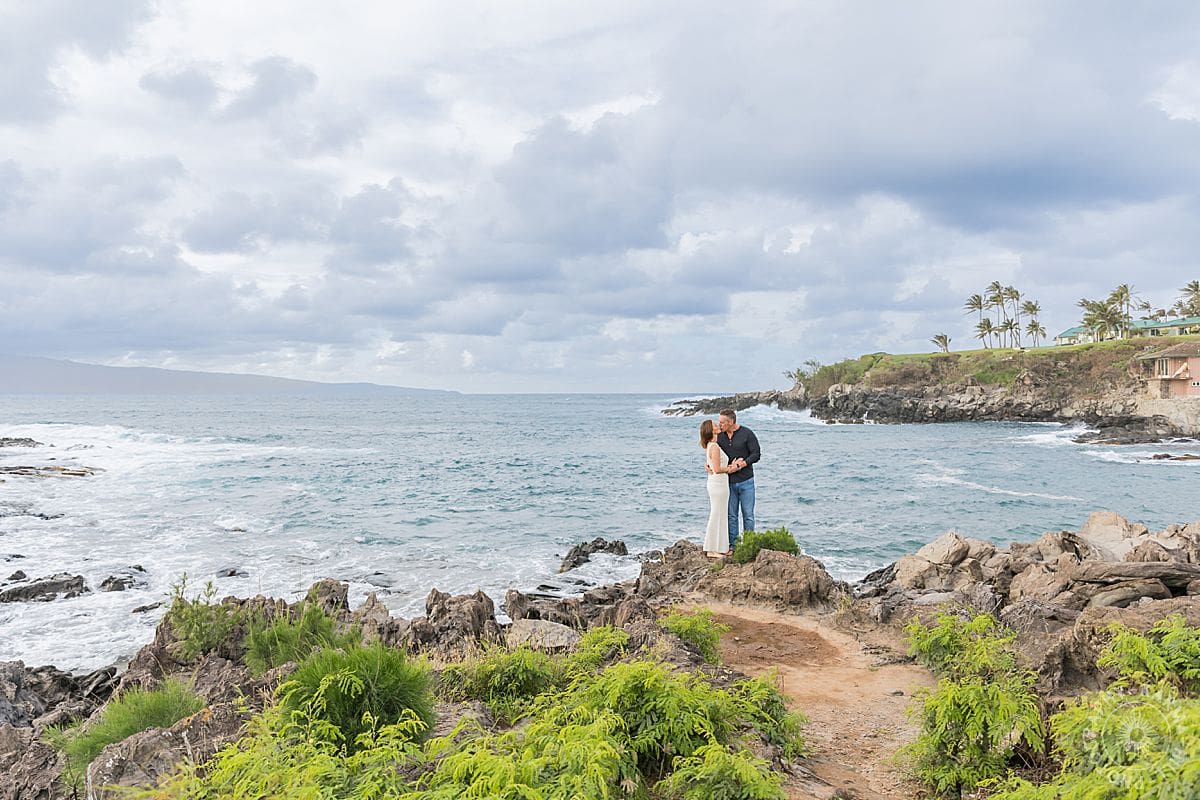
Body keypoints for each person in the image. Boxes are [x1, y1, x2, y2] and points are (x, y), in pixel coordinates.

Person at [717, 408, 760, 552]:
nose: (719, 425)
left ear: (730, 422)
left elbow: (756, 454)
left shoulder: (747, 433)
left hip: (747, 481)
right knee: (731, 516)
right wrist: (709, 464)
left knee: (748, 516)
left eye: (722, 422)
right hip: (728, 482)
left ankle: (749, 545)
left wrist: (742, 464)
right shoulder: (720, 437)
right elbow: (711, 450)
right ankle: (733, 546)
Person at [700, 419, 735, 558]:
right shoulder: (714, 446)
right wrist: (731, 468)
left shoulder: (712, 445)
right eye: (715, 425)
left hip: (720, 483)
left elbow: (712, 465)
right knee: (716, 514)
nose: (718, 426)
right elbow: (717, 469)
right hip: (718, 484)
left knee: (720, 514)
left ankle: (721, 547)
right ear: (711, 430)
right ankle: (711, 549)